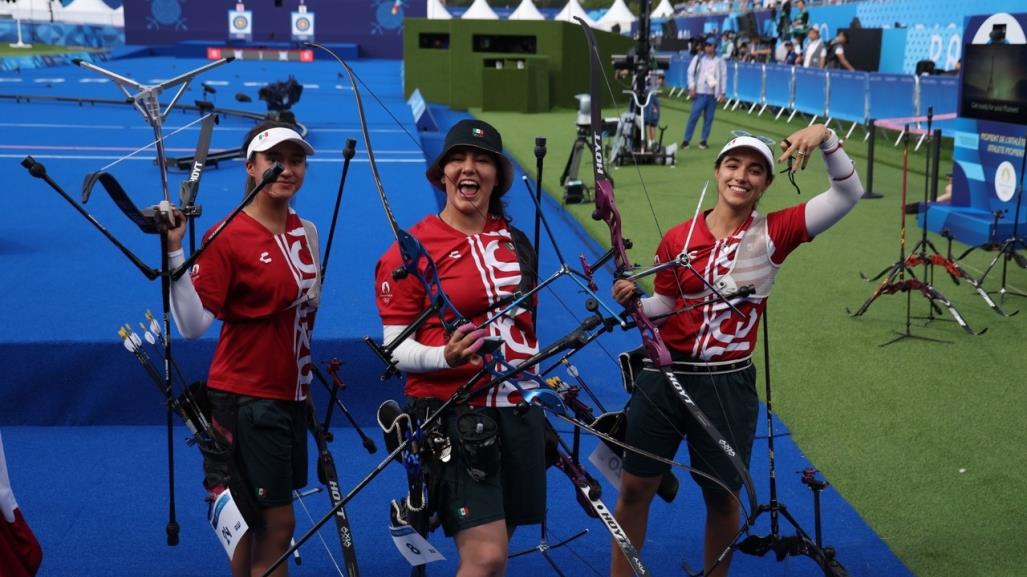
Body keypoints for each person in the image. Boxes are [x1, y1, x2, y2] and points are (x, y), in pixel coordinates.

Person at [609, 123, 864, 577]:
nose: (741, 176)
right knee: (633, 488)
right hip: (663, 377)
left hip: (726, 383)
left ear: (766, 183)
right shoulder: (678, 236)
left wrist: (825, 137)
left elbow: (847, 195)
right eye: (733, 165)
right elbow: (665, 306)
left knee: (723, 499)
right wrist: (636, 303)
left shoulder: (776, 231)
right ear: (717, 171)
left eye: (755, 170)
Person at [374, 118, 545, 577]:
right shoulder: (409, 252)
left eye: (482, 160)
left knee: (497, 552)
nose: (469, 168)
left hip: (517, 408)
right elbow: (394, 350)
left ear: (497, 175)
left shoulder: (516, 241)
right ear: (442, 173)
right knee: (486, 557)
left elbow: (527, 324)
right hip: (456, 413)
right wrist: (442, 356)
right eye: (458, 159)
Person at [168, 120, 319, 577]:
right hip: (246, 398)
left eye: (296, 160)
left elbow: (306, 312)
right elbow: (194, 326)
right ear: (251, 167)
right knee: (272, 524)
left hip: (289, 396)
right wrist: (175, 253)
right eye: (275, 160)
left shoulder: (306, 230)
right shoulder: (227, 234)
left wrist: (303, 383)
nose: (286, 169)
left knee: (262, 525)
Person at [683, 37, 727, 150]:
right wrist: (692, 87)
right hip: (700, 93)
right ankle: (686, 140)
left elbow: (723, 76)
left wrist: (722, 92)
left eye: (709, 45)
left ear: (714, 47)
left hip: (712, 95)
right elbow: (690, 73)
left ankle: (703, 140)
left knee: (709, 119)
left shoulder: (720, 61)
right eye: (706, 45)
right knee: (693, 117)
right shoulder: (698, 58)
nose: (707, 47)